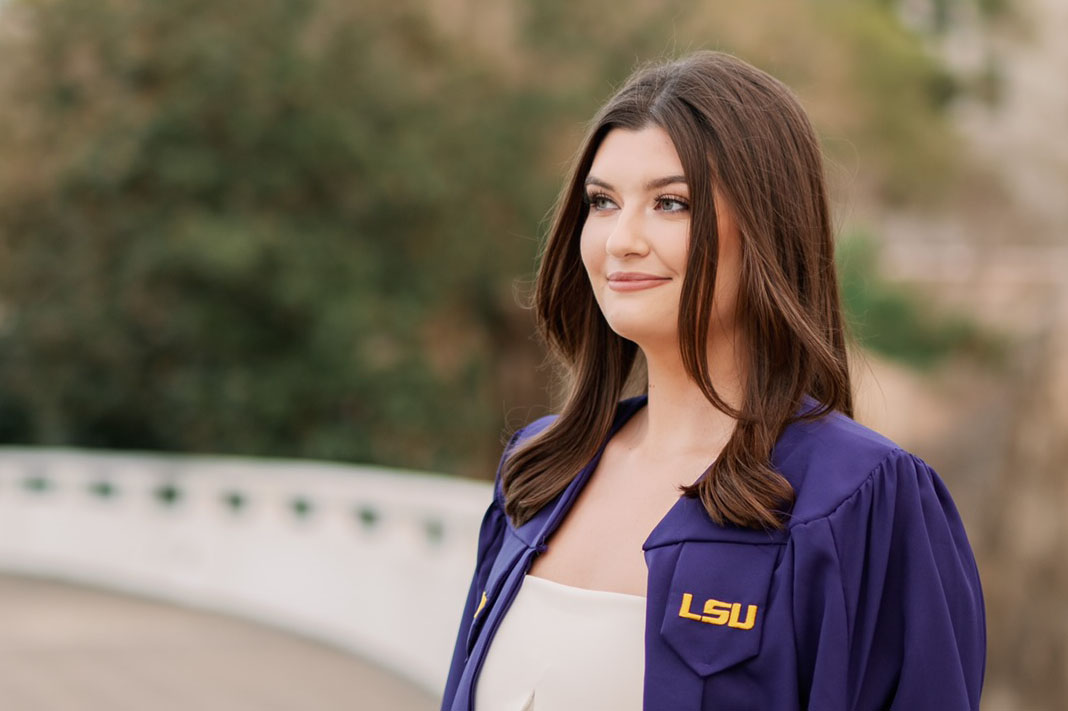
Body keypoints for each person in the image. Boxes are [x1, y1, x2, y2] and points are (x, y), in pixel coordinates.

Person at [440, 51, 985, 711]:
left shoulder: (858, 500)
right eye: (602, 201)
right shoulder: (537, 473)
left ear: (765, 228)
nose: (621, 239)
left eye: (671, 203)